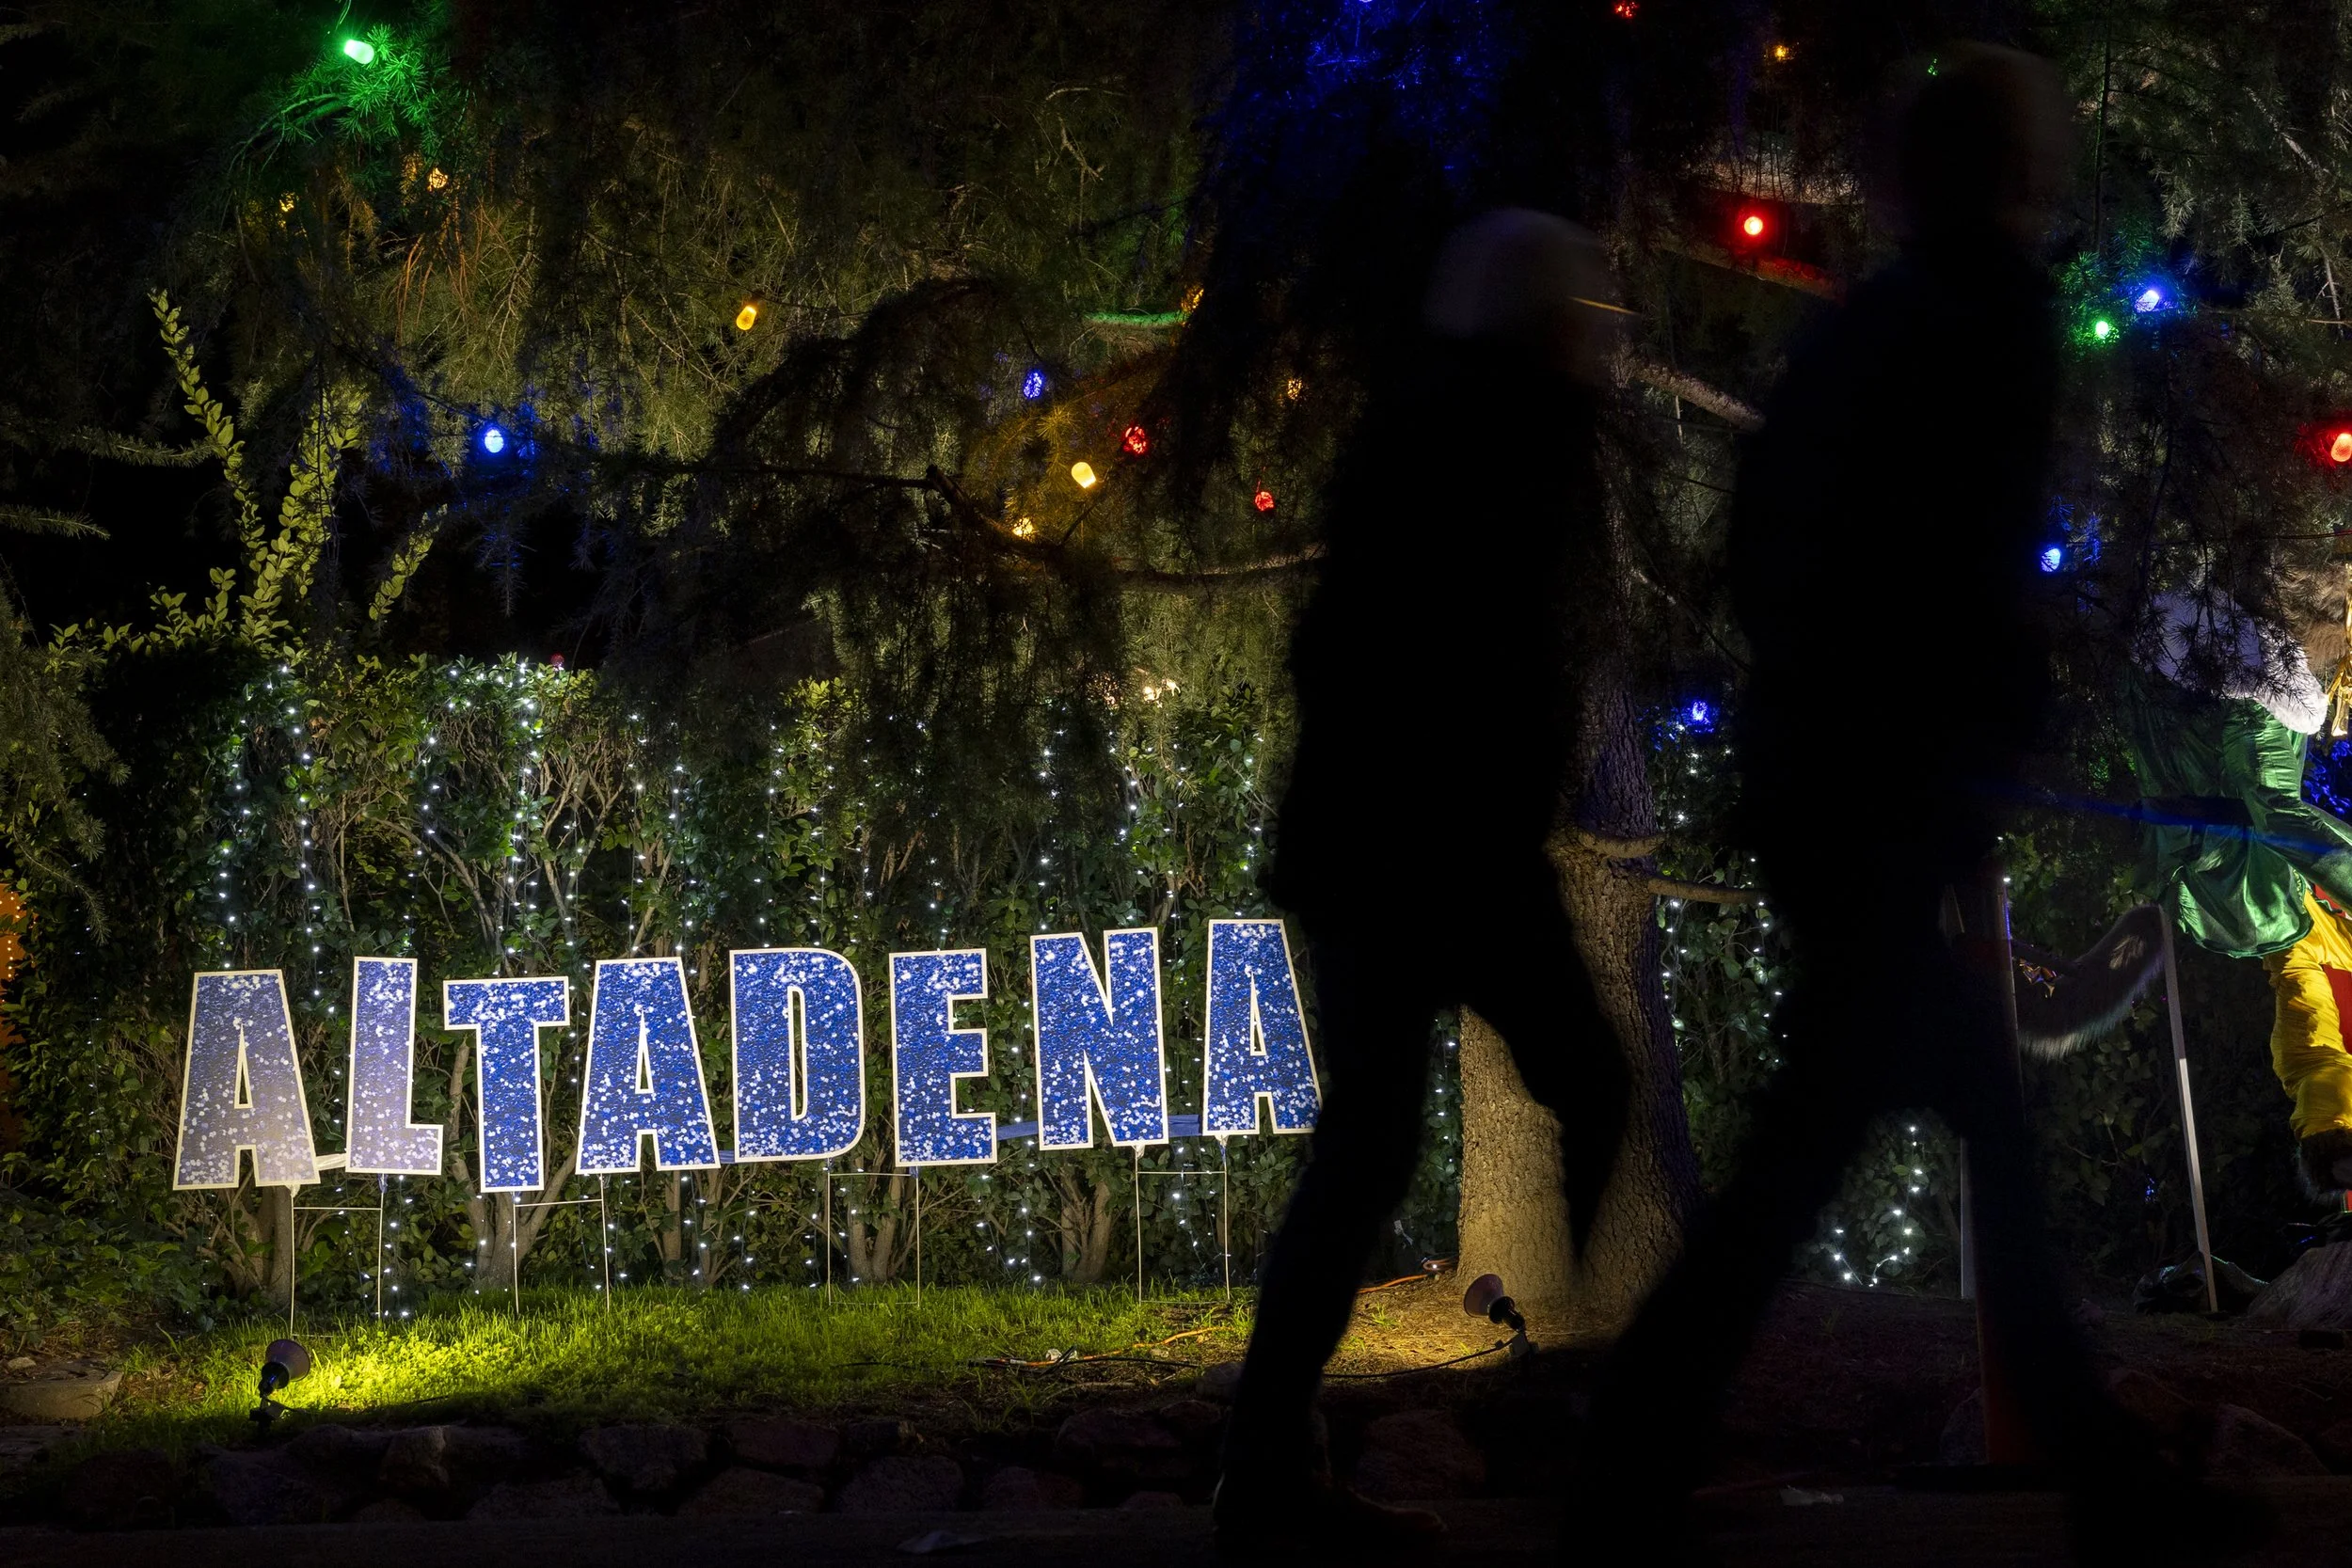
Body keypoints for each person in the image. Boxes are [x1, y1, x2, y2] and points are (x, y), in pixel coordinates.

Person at [1580, 43, 2261, 1560]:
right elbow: (1971, 567)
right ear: (2012, 175)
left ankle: (1637, 1451)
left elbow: (1774, 539)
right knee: (1861, 1150)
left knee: (1825, 1148)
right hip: (1888, 797)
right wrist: (1976, 725)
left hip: (1835, 789)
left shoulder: (1869, 326)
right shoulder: (1987, 321)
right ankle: (2097, 1481)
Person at [1211, 210, 1632, 1554]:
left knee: (1368, 1150)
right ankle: (1589, 1430)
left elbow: (1347, 650)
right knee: (1583, 1086)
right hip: (1442, 847)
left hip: (1378, 844)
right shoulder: (1519, 442)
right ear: (1548, 322)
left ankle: (1271, 1462)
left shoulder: (1420, 427)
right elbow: (1493, 657)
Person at [2121, 588, 2352, 1197]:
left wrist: (2329, 1133)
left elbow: (2313, 1043)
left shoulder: (2287, 939)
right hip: (2265, 834)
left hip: (2249, 855)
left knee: (2268, 924)